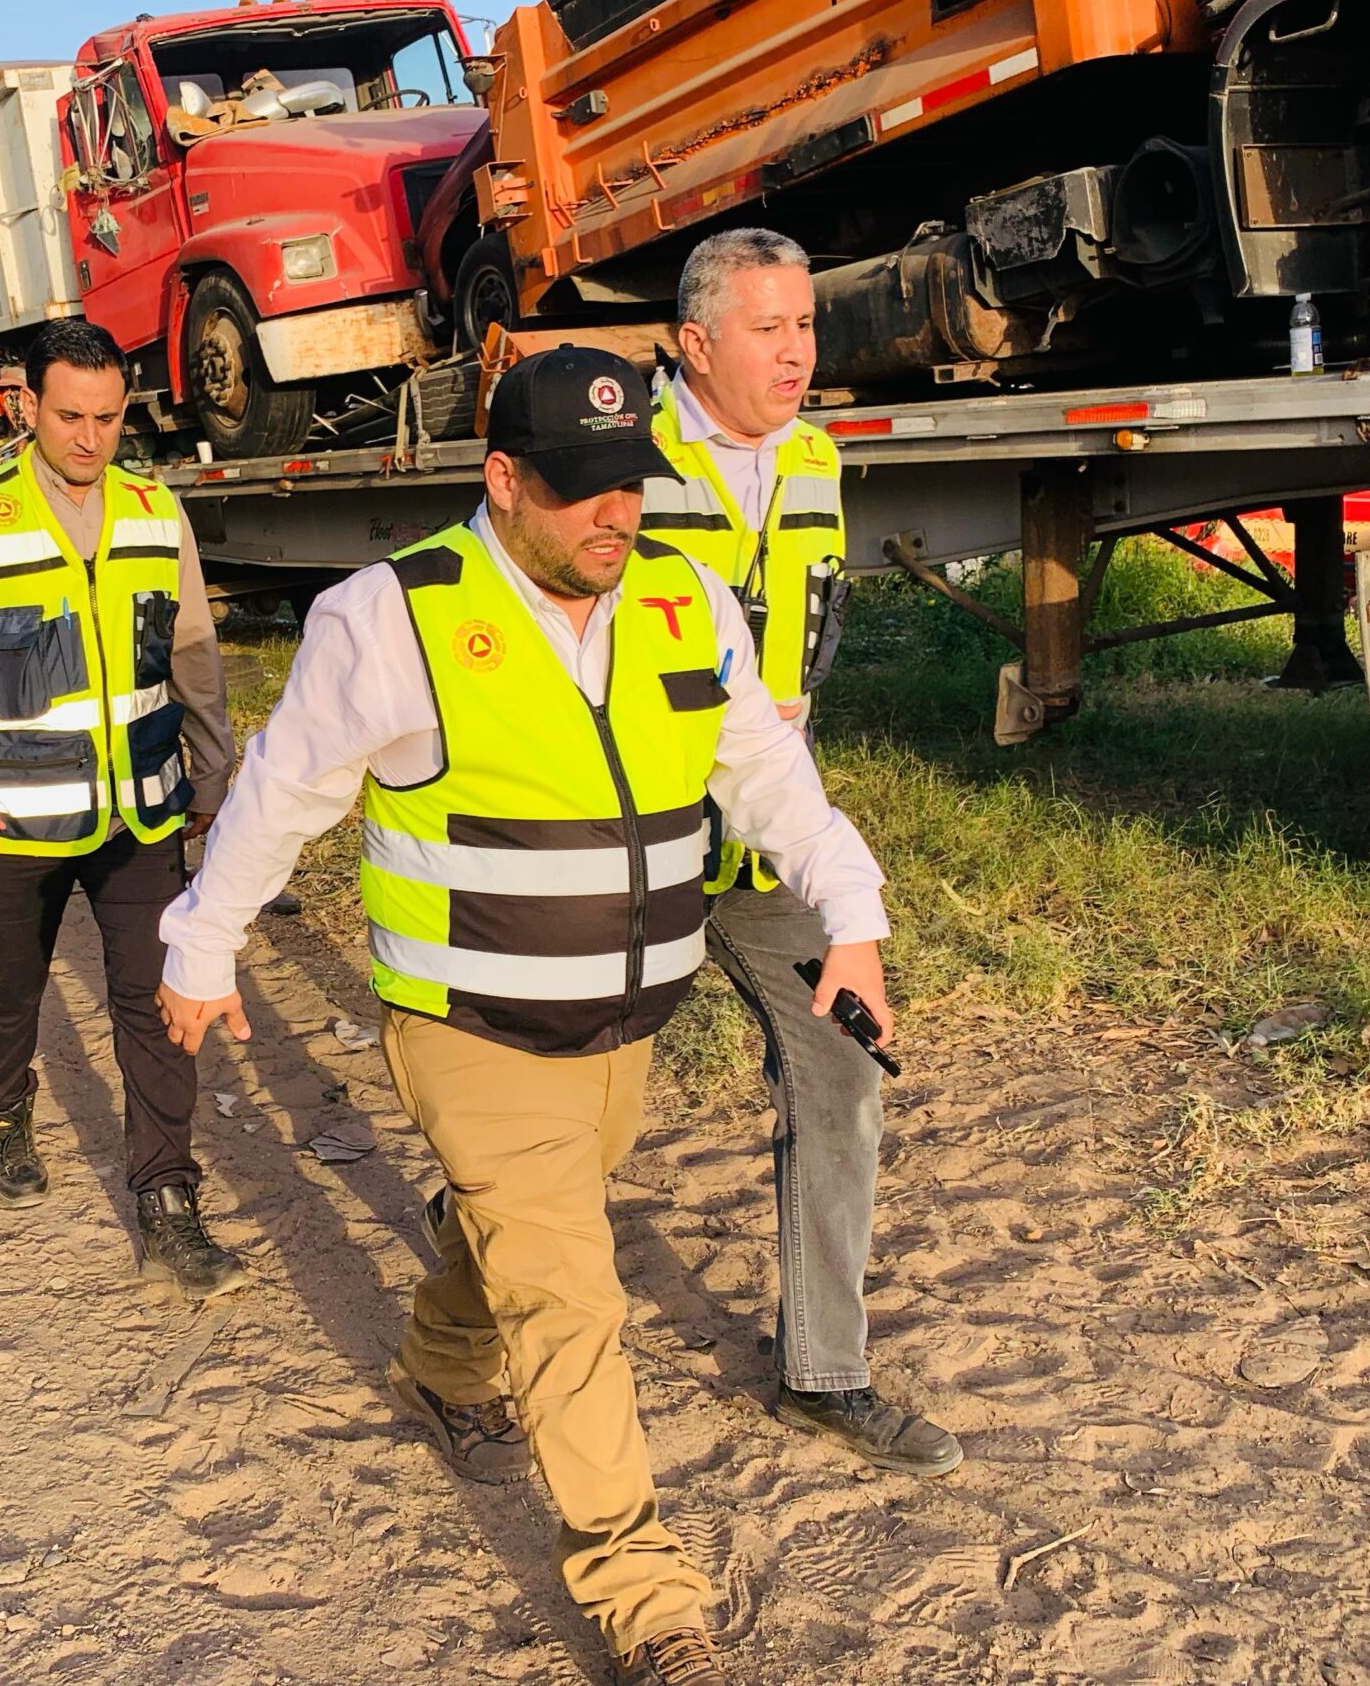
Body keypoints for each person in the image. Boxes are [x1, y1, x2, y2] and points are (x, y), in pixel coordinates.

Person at [157, 346, 896, 1685]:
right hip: (471, 1027)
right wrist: (202, 945)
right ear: (501, 479)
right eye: (580, 487)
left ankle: (443, 1365)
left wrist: (854, 916)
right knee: (567, 1292)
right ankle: (646, 1600)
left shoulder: (684, 599)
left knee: (523, 1229)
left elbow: (769, 779)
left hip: (623, 1025)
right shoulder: (392, 617)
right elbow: (279, 795)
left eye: (632, 483)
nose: (616, 513)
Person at [644, 228, 962, 1479]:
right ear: (695, 343)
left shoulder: (818, 460)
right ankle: (474, 1256)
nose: (796, 354)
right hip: (635, 842)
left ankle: (824, 1373)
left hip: (767, 845)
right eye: (766, 329)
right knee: (566, 1103)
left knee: (841, 1070)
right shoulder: (616, 458)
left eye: (806, 326)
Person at [0, 320, 244, 1298]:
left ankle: (166, 1197)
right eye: (70, 416)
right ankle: (4, 1105)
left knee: (155, 1003)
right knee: (11, 993)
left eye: (108, 418)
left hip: (141, 812)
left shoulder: (154, 509)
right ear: (29, 408)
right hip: (11, 815)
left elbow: (193, 650)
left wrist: (213, 772)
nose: (90, 438)